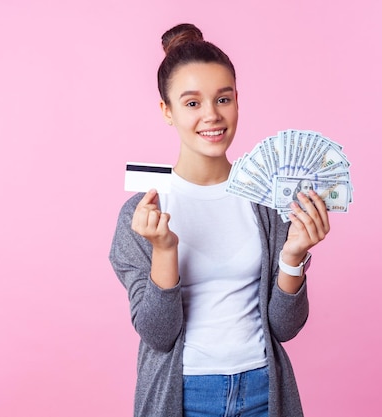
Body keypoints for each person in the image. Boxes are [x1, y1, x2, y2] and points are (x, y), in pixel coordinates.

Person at [109, 23, 330, 417]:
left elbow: (285, 328)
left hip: (264, 391)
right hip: (186, 396)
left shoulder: (266, 202)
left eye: (223, 99)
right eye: (192, 103)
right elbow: (158, 335)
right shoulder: (141, 215)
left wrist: (294, 254)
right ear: (167, 111)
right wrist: (164, 250)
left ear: (237, 102)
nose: (211, 115)